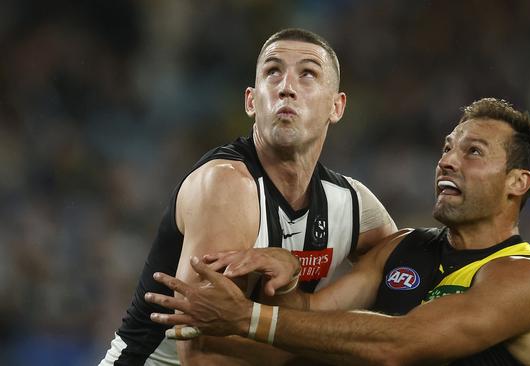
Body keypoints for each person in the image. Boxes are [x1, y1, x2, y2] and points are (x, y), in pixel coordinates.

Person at [145, 98, 530, 365]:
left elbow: (400, 344)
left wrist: (245, 317)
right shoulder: (402, 247)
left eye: (472, 152)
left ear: (517, 183)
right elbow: (305, 329)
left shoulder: (524, 278)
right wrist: (288, 277)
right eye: (448, 148)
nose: (448, 161)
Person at [99, 28, 397, 366]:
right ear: (251, 101)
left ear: (337, 106)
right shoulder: (226, 186)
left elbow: (410, 289)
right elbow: (202, 355)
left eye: (308, 74)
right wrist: (335, 342)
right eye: (273, 72)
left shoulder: (352, 205)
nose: (287, 87)